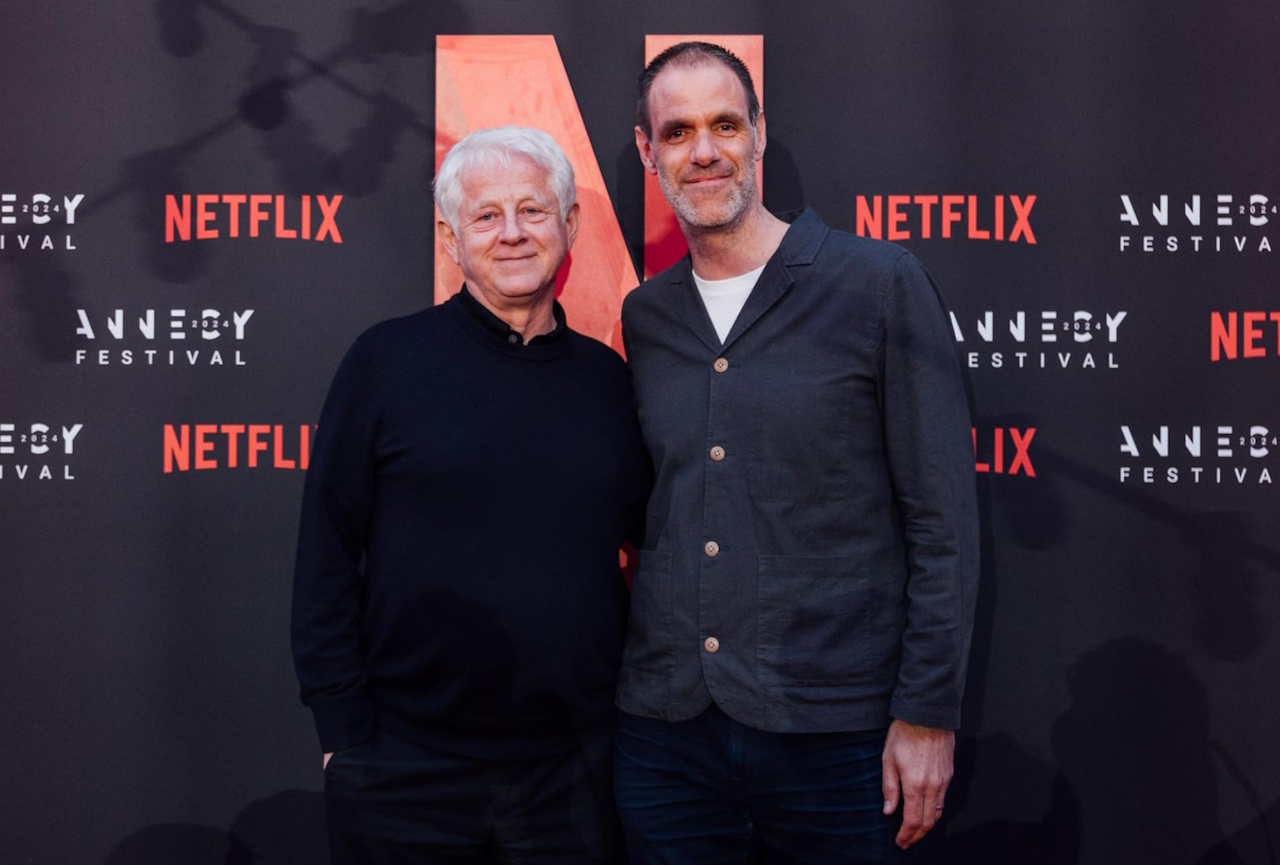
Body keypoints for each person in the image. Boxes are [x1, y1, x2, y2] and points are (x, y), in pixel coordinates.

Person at [614, 42, 980, 863]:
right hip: (667, 740)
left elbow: (941, 518)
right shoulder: (646, 317)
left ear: (760, 135)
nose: (703, 151)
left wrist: (929, 713)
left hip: (839, 739)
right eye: (677, 133)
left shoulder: (877, 283)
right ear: (647, 152)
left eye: (724, 125)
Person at [292, 125, 650, 865]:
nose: (513, 233)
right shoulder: (384, 363)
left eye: (533, 210)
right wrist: (344, 742)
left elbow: (652, 554)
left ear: (570, 224)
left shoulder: (610, 384)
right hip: (403, 767)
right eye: (487, 216)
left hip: (575, 771)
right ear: (451, 237)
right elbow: (325, 557)